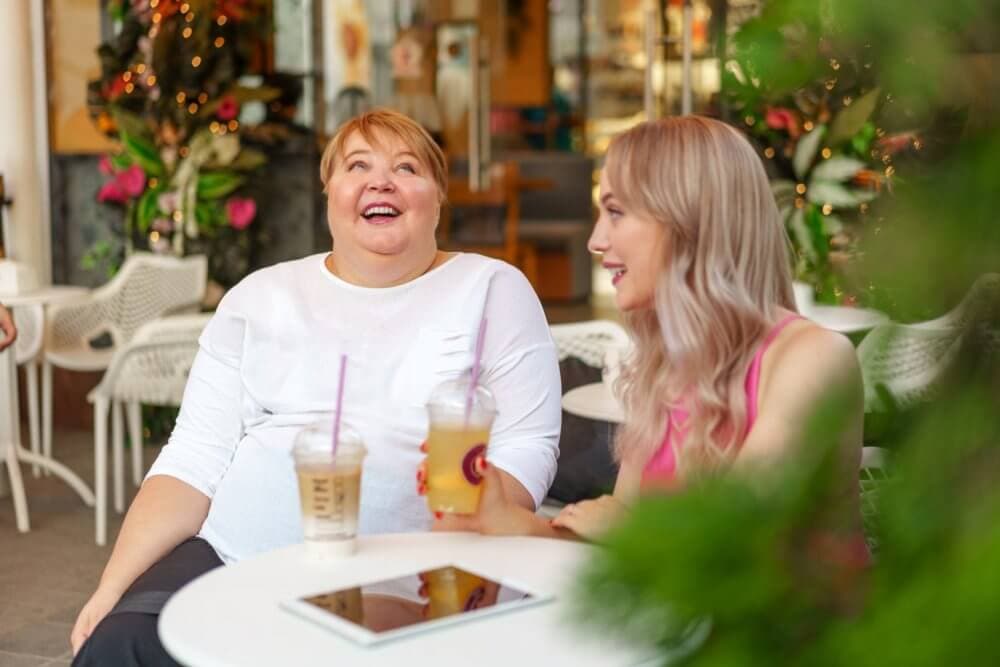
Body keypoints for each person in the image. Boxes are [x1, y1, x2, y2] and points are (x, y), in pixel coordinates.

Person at [70, 109, 561, 664]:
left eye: (407, 167)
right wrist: (112, 590)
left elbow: (527, 446)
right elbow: (192, 461)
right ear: (329, 191)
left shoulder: (491, 288)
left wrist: (478, 519)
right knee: (120, 645)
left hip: (413, 574)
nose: (381, 180)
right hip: (234, 559)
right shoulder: (259, 297)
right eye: (358, 165)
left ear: (438, 196)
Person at [426, 115, 864, 545]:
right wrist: (507, 517)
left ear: (690, 222)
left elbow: (731, 544)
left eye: (616, 212)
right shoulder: (669, 364)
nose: (595, 240)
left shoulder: (813, 358)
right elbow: (623, 543)